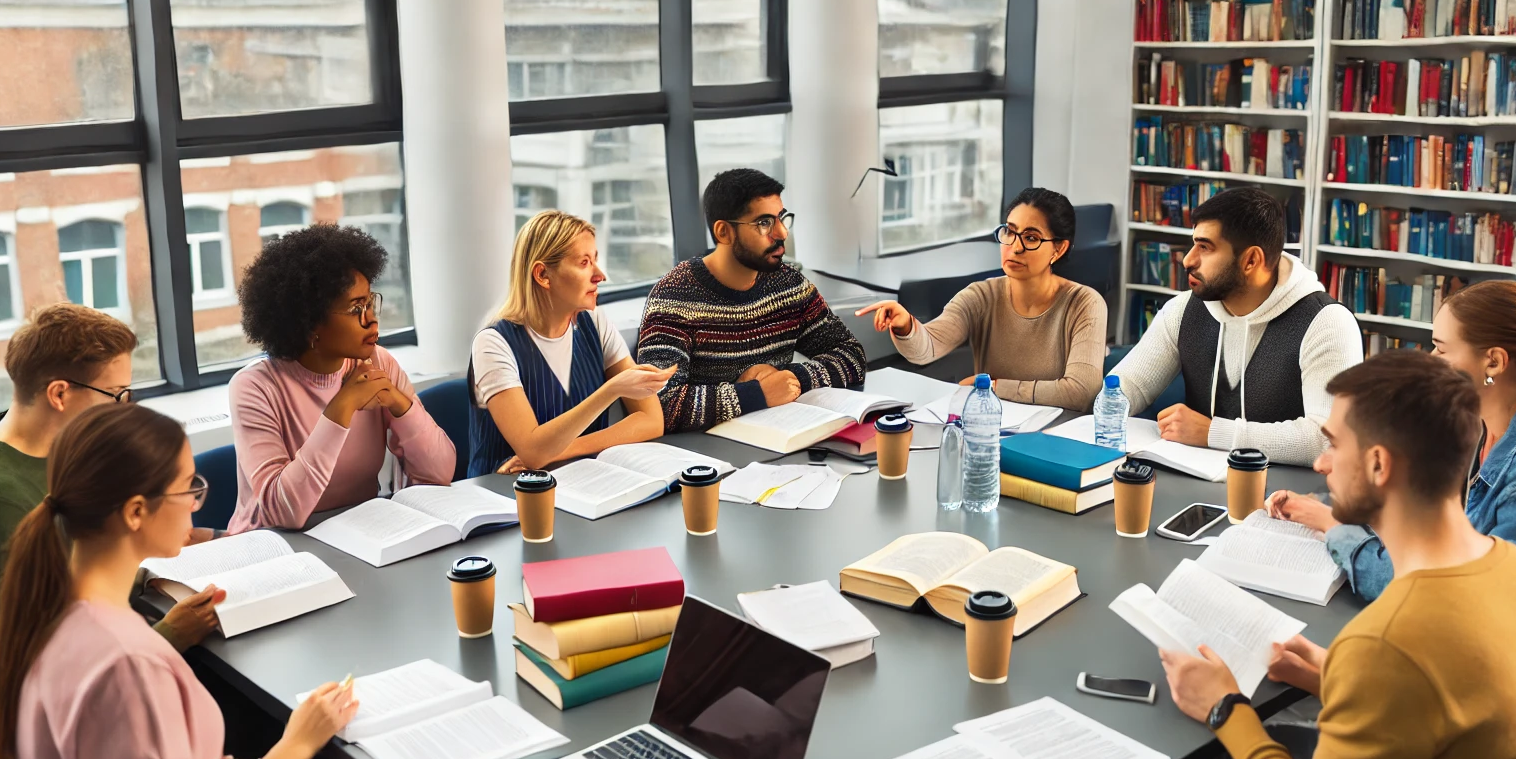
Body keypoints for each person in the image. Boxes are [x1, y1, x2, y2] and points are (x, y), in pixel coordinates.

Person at [1074, 350, 1516, 759]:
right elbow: (1452, 694)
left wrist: (1226, 708)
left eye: (1334, 443)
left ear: (1381, 465)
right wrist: (1334, 672)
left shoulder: (1391, 640)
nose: (1321, 462)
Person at [0, 405, 455, 759]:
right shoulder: (126, 663)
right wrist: (292, 748)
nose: (196, 504)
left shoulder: (52, 612)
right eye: (188, 489)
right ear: (136, 512)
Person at [1269, 279, 1516, 683]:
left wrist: (1338, 529)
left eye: (1441, 348)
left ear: (1493, 362)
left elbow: (1458, 605)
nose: (1431, 360)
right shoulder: (1485, 425)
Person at [0, 303, 220, 683]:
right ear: (59, 394)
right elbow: (48, 664)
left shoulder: (63, 452)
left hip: (112, 639)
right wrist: (172, 635)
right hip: (59, 707)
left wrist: (202, 543)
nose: (123, 410)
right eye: (116, 395)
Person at [1108, 186, 1361, 466]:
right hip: (1196, 482)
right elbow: (1127, 386)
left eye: (1205, 247)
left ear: (1251, 260)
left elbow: (1327, 439)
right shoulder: (1183, 309)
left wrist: (1213, 433)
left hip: (1284, 498)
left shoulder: (1327, 322)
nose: (1188, 260)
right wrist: (1107, 408)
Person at [228, 224, 455, 533]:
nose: (371, 319)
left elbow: (440, 473)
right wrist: (342, 406)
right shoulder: (255, 388)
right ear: (310, 326)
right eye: (355, 308)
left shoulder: (379, 363)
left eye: (370, 302)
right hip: (275, 549)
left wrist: (400, 405)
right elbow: (284, 512)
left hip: (360, 538)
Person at [637, 168, 867, 431]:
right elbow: (659, 403)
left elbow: (851, 353)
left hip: (779, 436)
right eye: (764, 223)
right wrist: (753, 394)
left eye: (781, 218)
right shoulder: (675, 296)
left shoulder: (788, 283)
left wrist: (792, 379)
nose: (781, 233)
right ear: (724, 232)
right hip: (705, 455)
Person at [855, 187, 1107, 410]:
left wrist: (994, 386)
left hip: (1059, 440)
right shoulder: (981, 296)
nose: (1015, 247)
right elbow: (927, 348)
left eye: (1031, 238)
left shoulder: (1085, 304)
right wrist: (906, 325)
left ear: (1058, 248)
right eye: (1010, 232)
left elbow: (1081, 392)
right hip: (989, 430)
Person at [467, 210, 673, 476]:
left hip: (582, 481)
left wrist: (564, 449)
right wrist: (611, 390)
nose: (600, 275)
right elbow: (532, 450)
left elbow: (652, 420)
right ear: (542, 275)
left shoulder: (594, 321)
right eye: (584, 263)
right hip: (506, 495)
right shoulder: (493, 344)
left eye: (595, 260)